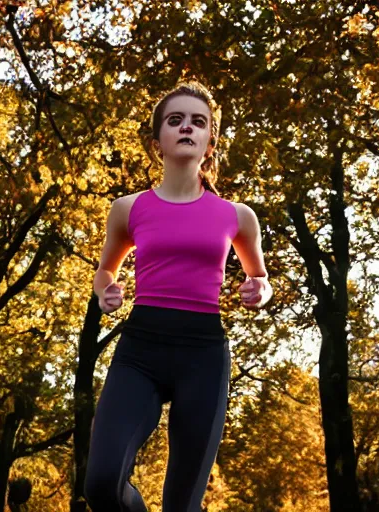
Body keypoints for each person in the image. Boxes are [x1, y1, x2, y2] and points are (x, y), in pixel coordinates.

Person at [84, 81, 272, 512]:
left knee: (182, 505)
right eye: (176, 120)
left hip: (203, 355)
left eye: (198, 122)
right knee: (101, 484)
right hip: (141, 349)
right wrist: (104, 292)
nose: (187, 127)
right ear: (158, 142)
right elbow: (105, 270)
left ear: (209, 143)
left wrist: (259, 289)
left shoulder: (237, 217)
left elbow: (260, 277)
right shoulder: (128, 209)